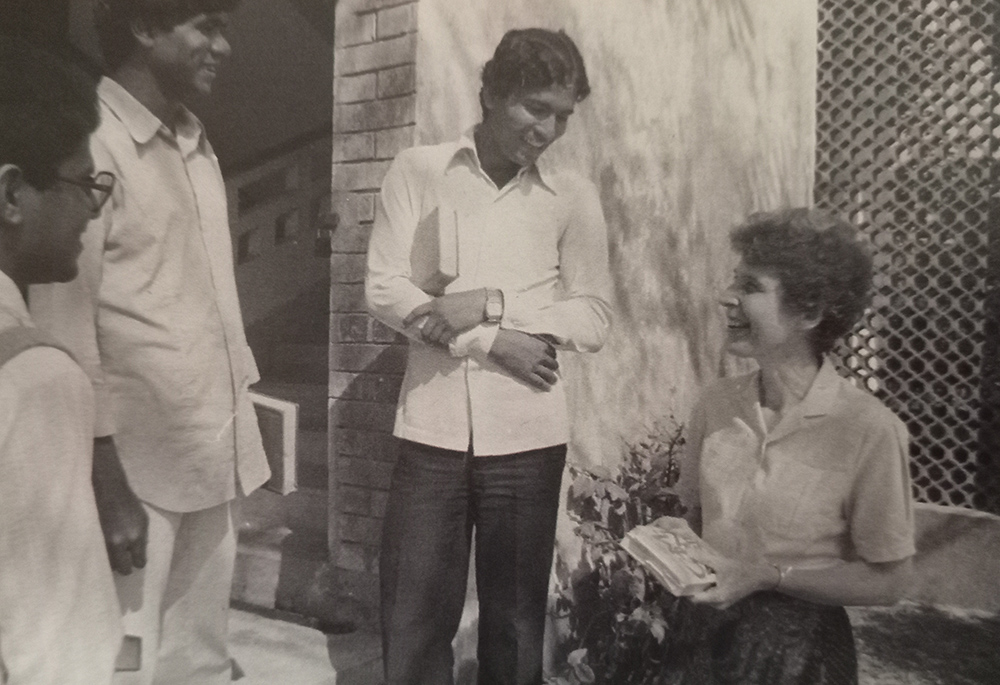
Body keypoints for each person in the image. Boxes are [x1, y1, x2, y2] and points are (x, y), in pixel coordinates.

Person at [29, 2, 270, 683]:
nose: (223, 46)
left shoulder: (197, 142)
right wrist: (103, 481)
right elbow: (64, 323)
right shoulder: (91, 141)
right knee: (118, 665)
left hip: (208, 450)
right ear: (143, 27)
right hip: (131, 472)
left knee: (197, 662)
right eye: (206, 25)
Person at [366, 28, 613, 685]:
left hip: (528, 438)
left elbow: (594, 316)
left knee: (513, 623)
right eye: (536, 108)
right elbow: (385, 289)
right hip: (430, 430)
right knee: (414, 618)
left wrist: (495, 306)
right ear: (493, 93)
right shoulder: (419, 170)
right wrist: (490, 340)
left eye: (563, 115)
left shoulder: (571, 199)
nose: (549, 129)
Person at [665, 208, 915, 684]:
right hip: (704, 643)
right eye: (733, 281)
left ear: (810, 311)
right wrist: (671, 543)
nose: (725, 297)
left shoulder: (869, 429)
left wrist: (767, 576)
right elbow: (697, 522)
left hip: (801, 659)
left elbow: (889, 581)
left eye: (751, 287)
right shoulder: (716, 404)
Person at [0, 37, 123, 684]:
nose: (91, 208)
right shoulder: (34, 376)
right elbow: (63, 658)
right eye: (82, 183)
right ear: (12, 195)